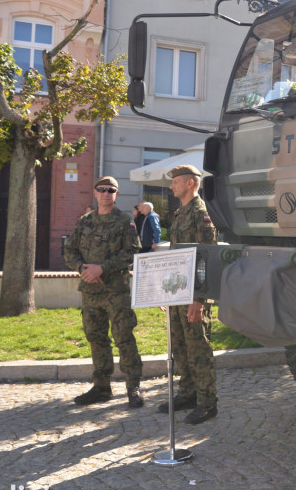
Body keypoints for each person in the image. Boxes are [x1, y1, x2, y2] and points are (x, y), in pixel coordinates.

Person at [64, 176, 145, 408]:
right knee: (96, 338)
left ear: (116, 194)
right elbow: (70, 251)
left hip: (116, 292)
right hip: (90, 291)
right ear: (95, 192)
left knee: (124, 338)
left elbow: (131, 252)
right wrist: (82, 269)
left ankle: (133, 387)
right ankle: (101, 387)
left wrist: (102, 268)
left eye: (111, 190)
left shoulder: (124, 222)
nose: (106, 193)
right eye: (102, 189)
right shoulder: (84, 221)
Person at [157, 164, 219, 425]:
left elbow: (206, 259)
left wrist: (199, 299)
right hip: (178, 292)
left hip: (193, 295)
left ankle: (207, 402)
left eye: (176, 182)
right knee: (180, 347)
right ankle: (188, 393)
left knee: (198, 348)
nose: (172, 187)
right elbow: (176, 257)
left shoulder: (201, 213)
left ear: (191, 183)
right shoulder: (181, 212)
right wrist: (167, 292)